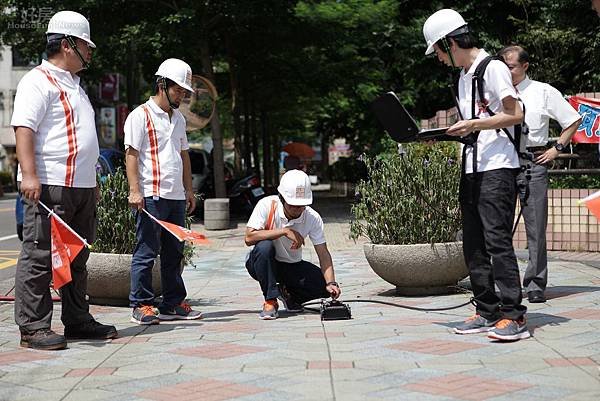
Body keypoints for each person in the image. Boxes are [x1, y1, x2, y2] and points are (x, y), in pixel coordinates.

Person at [11, 11, 117, 350]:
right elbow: (24, 128)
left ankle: (77, 319)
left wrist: (94, 183)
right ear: (68, 45)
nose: (91, 52)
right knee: (40, 256)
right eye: (87, 46)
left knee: (76, 257)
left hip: (81, 187)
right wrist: (29, 174)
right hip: (51, 185)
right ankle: (33, 328)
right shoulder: (37, 80)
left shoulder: (76, 85)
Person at [422, 9, 529, 341]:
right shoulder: (465, 76)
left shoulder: (492, 68)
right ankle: (487, 310)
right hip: (473, 167)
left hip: (498, 166)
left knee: (497, 242)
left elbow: (516, 113)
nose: (438, 59)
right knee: (473, 243)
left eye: (438, 51)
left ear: (450, 42)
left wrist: (474, 124)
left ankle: (514, 316)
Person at [499, 45, 582, 303]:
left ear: (525, 66)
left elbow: (573, 119)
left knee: (535, 227)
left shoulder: (543, 92)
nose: (506, 70)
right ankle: (501, 281)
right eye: (504, 66)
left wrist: (556, 149)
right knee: (497, 225)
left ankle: (535, 283)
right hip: (501, 161)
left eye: (511, 66)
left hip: (533, 161)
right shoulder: (495, 92)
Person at [125, 58, 201, 325]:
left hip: (176, 196)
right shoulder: (140, 115)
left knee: (174, 252)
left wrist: (189, 190)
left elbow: (184, 155)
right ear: (162, 85)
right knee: (146, 251)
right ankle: (141, 304)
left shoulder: (178, 118)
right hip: (151, 196)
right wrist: (135, 191)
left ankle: (172, 302)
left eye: (184, 90)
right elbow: (132, 155)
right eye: (178, 89)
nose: (182, 94)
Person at [244, 169, 341, 320]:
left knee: (324, 287)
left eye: (301, 205)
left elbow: (323, 253)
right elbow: (249, 237)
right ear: (282, 198)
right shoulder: (266, 205)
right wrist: (283, 231)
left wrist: (332, 283)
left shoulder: (312, 217)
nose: (297, 209)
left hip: (291, 265)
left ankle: (289, 295)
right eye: (293, 205)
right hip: (261, 263)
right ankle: (270, 301)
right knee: (264, 246)